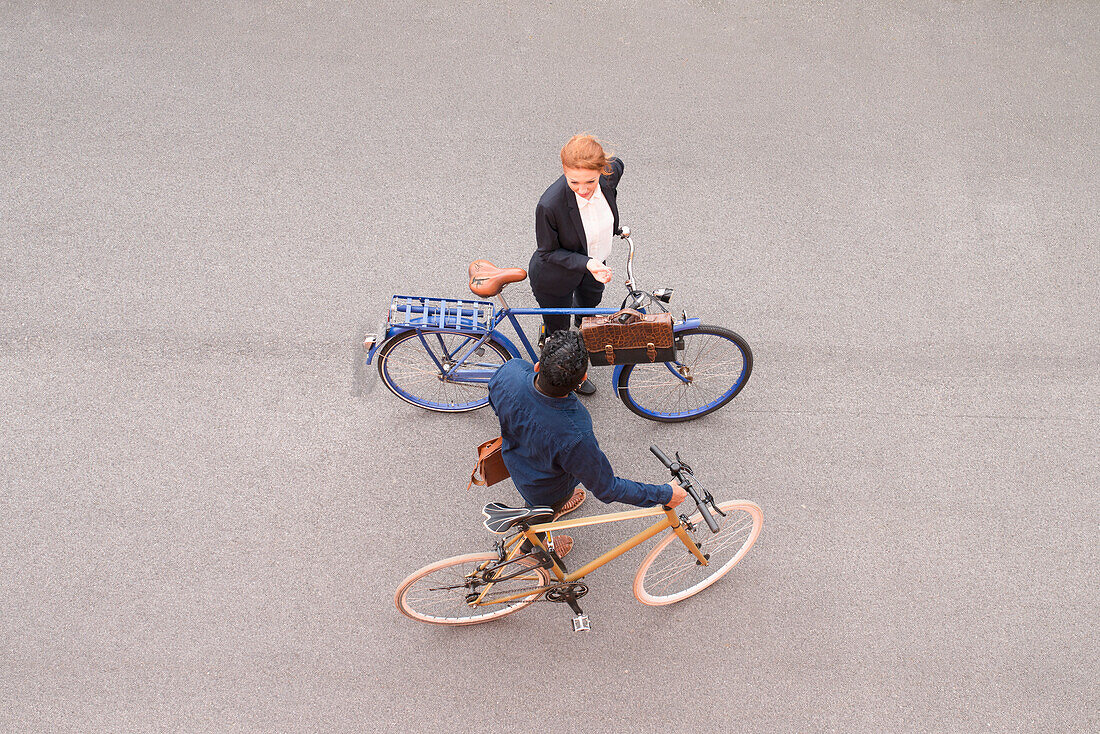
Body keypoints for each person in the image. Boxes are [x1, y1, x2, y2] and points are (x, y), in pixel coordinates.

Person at [487, 330, 687, 558]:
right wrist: (664, 494)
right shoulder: (575, 432)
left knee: (545, 501)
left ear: (537, 366)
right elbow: (607, 488)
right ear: (581, 381)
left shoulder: (509, 372)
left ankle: (550, 512)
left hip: (515, 461)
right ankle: (531, 549)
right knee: (541, 515)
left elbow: (495, 403)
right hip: (547, 489)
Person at [528, 133, 624, 395]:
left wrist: (612, 230)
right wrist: (587, 263)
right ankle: (572, 375)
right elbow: (547, 253)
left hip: (594, 267)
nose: (582, 189)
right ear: (564, 171)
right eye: (574, 182)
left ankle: (582, 335)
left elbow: (619, 164)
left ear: (602, 170)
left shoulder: (610, 173)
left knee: (588, 309)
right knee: (559, 331)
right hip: (555, 274)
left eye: (590, 181)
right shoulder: (549, 205)